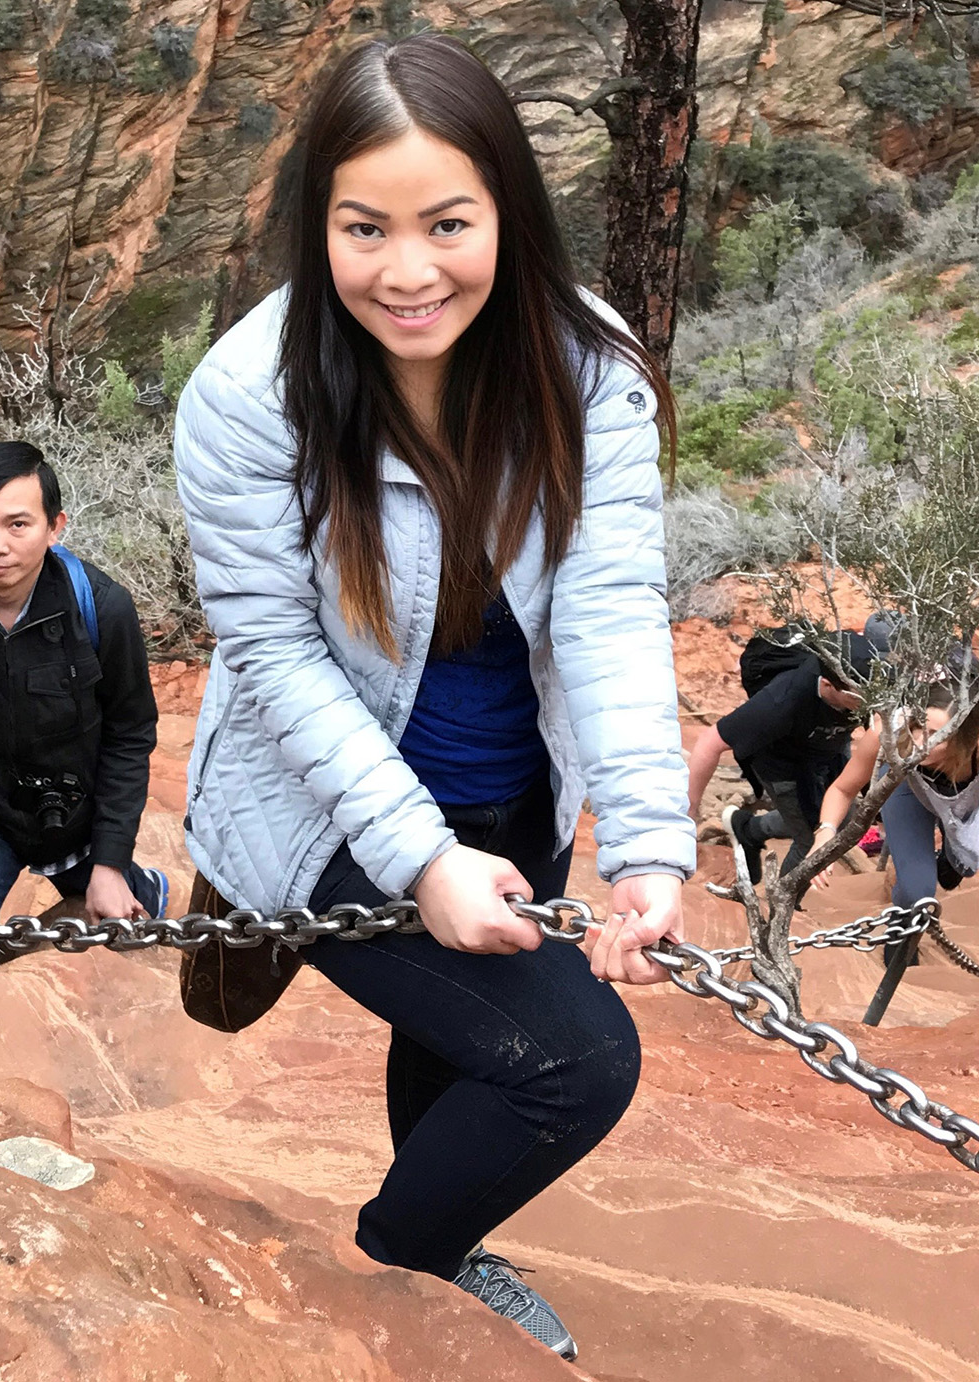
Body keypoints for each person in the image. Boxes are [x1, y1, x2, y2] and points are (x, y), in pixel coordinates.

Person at [174, 35, 694, 1361]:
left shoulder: (590, 367)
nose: (410, 271)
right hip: (328, 812)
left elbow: (608, 606)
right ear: (320, 224)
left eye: (448, 222)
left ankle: (435, 1245)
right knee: (578, 1060)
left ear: (506, 213)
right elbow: (275, 652)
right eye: (365, 227)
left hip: (518, 796)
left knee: (467, 1044)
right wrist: (417, 856)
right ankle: (392, 1261)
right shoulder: (248, 394)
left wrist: (643, 834)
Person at [0, 441, 167, 973]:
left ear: (54, 526)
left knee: (119, 911)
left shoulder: (100, 608)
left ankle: (133, 879)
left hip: (76, 814)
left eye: (17, 524)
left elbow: (130, 734)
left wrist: (110, 860)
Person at [688, 632, 874, 883]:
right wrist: (689, 811)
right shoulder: (782, 699)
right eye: (857, 696)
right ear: (827, 685)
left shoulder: (865, 686)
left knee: (843, 816)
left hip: (827, 746)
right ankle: (784, 908)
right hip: (781, 763)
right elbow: (708, 743)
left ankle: (749, 830)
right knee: (810, 837)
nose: (868, 702)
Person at [811, 680, 979, 929]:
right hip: (909, 789)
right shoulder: (890, 731)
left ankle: (952, 857)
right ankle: (900, 947)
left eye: (937, 736)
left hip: (968, 796)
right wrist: (824, 834)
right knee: (917, 894)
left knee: (965, 863)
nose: (921, 742)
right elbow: (842, 789)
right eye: (918, 727)